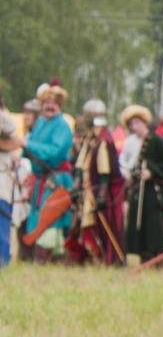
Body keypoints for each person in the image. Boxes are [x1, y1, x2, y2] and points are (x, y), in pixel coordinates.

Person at [65, 99, 126, 265]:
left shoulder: (103, 139)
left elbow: (105, 170)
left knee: (102, 223)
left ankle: (111, 258)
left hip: (101, 190)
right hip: (88, 189)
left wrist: (101, 195)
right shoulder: (91, 138)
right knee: (81, 222)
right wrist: (76, 186)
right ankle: (86, 257)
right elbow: (80, 165)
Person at [19, 81, 74, 263]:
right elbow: (26, 149)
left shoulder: (63, 126)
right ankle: (38, 257)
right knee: (37, 216)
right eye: (46, 103)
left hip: (55, 179)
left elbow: (54, 153)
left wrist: (28, 144)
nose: (49, 106)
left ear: (59, 105)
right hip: (40, 179)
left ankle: (52, 259)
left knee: (51, 217)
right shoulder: (40, 123)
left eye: (54, 103)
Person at [123, 105, 163, 263]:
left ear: (144, 123)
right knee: (136, 222)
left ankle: (155, 256)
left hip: (153, 191)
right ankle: (141, 254)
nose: (135, 127)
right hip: (137, 189)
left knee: (152, 224)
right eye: (132, 124)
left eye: (137, 123)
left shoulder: (156, 141)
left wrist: (152, 172)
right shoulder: (132, 142)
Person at [0, 112, 25, 267]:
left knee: (2, 223)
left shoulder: (5, 120)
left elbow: (11, 134)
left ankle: (3, 259)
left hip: (2, 185)